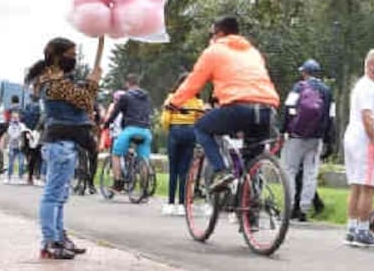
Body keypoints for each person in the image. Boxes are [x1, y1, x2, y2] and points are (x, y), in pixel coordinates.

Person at [166, 16, 280, 194]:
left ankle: (221, 171)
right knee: (252, 160)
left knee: (201, 128)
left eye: (212, 34)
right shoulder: (253, 52)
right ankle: (251, 209)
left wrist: (174, 102)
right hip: (266, 109)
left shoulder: (214, 51)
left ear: (219, 33)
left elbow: (193, 83)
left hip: (238, 106)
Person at [26, 37, 98, 260]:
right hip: (61, 143)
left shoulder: (54, 81)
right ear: (58, 57)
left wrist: (89, 83)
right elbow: (85, 101)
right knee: (53, 195)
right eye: (72, 56)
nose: (74, 60)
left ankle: (58, 236)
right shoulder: (54, 84)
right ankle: (50, 241)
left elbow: (78, 96)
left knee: (59, 195)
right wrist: (94, 83)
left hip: (63, 143)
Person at [343, 48, 374, 247]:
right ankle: (362, 230)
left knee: (357, 185)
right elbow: (367, 117)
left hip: (357, 140)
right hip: (366, 143)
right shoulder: (368, 87)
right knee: (368, 187)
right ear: (369, 65)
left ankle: (352, 227)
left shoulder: (367, 86)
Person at [281, 59, 335, 222]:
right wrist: (327, 139)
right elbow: (330, 117)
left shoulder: (298, 87)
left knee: (289, 170)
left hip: (296, 137)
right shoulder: (327, 91)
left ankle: (289, 208)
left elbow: (288, 109)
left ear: (304, 72)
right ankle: (304, 209)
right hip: (316, 138)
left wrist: (283, 130)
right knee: (310, 173)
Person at [161, 71, 206, 216]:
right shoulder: (198, 101)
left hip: (175, 132)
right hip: (191, 133)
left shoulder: (172, 98)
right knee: (184, 171)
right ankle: (182, 204)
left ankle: (170, 203)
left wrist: (168, 129)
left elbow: (165, 119)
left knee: (173, 170)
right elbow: (201, 120)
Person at [105, 74, 153, 192]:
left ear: (127, 84)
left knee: (116, 154)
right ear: (138, 83)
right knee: (144, 159)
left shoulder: (125, 97)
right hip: (146, 131)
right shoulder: (146, 97)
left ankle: (118, 183)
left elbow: (115, 113)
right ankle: (144, 188)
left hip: (130, 129)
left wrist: (106, 125)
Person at [4, 112, 26, 185]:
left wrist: (22, 143)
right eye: (14, 118)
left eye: (16, 117)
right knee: (10, 163)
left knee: (21, 163)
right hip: (12, 146)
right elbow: (8, 136)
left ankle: (20, 177)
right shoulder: (10, 126)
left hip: (20, 147)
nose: (15, 119)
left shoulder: (22, 126)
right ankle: (8, 177)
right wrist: (6, 145)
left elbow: (23, 135)